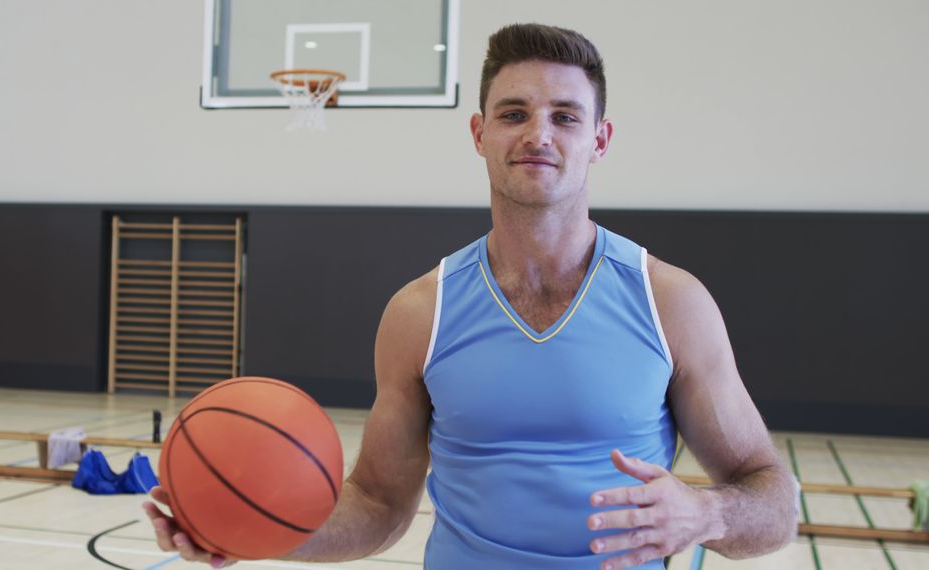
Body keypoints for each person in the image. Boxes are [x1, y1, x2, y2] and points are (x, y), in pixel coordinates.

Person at [144, 23, 799, 569]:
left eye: (565, 116)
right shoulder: (420, 314)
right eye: (514, 113)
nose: (539, 134)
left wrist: (705, 511)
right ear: (479, 133)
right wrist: (258, 527)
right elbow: (376, 503)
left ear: (598, 140)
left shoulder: (671, 302)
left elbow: (774, 502)